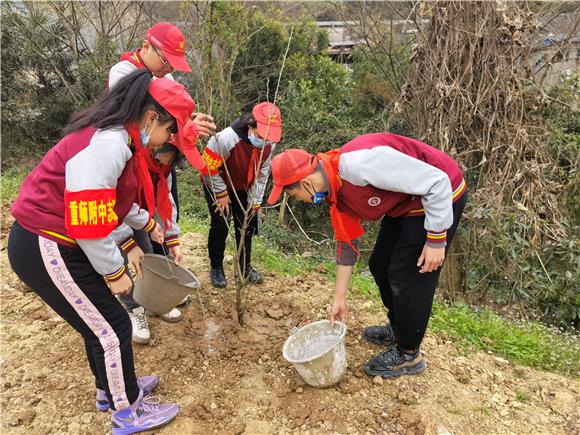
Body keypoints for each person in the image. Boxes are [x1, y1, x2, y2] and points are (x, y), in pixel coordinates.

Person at [8, 69, 201, 433]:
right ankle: (127, 411)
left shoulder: (121, 141)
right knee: (112, 326)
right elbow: (87, 221)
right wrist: (115, 272)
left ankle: (110, 390)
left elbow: (111, 201)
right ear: (150, 118)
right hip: (46, 242)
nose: (169, 139)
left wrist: (144, 224)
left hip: (57, 240)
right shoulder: (110, 144)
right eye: (171, 130)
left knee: (98, 323)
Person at [267, 133, 467, 379]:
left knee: (408, 274)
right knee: (380, 264)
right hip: (404, 204)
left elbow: (437, 182)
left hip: (440, 196)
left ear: (306, 183)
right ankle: (398, 327)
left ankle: (408, 353)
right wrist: (339, 299)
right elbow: (347, 245)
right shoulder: (335, 194)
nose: (300, 201)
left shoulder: (359, 165)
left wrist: (436, 238)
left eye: (293, 195)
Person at [108, 22, 215, 338]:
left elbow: (166, 117)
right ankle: (134, 308)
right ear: (146, 46)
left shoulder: (161, 79)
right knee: (133, 246)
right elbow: (115, 207)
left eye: (173, 63)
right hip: (132, 170)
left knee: (154, 235)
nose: (169, 68)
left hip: (148, 169)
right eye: (165, 60)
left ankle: (154, 298)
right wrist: (129, 239)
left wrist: (186, 124)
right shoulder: (123, 76)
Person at [200, 103, 282, 288]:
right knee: (221, 223)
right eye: (261, 136)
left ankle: (244, 266)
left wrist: (255, 202)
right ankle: (216, 267)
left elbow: (263, 173)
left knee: (246, 225)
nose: (265, 141)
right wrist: (221, 193)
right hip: (217, 182)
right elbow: (207, 168)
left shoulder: (269, 144)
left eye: (268, 138)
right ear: (251, 126)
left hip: (244, 186)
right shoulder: (226, 138)